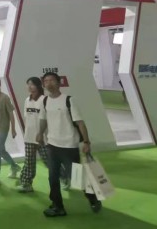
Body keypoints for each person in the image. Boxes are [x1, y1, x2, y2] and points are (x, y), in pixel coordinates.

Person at [37, 72, 102, 217]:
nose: (48, 83)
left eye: (52, 80)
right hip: (52, 145)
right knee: (52, 178)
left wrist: (86, 142)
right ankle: (57, 206)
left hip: (69, 146)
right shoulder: (45, 101)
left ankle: (93, 198)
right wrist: (40, 133)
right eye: (46, 81)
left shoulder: (68, 100)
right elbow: (43, 119)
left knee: (77, 178)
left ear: (59, 83)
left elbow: (80, 123)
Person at [16, 77, 49, 193]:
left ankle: (64, 178)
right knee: (29, 161)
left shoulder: (44, 100)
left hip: (43, 138)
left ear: (38, 86)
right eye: (28, 84)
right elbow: (27, 118)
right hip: (29, 137)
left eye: (32, 84)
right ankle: (26, 184)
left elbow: (47, 119)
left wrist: (41, 133)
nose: (29, 87)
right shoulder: (27, 100)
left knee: (49, 161)